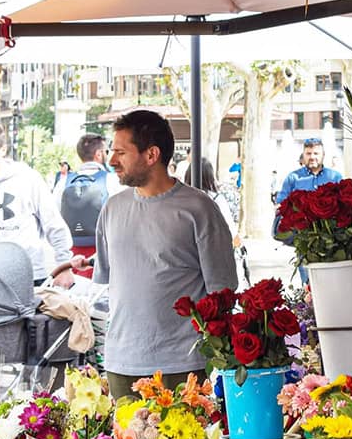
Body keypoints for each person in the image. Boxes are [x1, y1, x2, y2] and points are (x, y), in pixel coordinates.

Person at [70, 110, 237, 400]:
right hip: (121, 361)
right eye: (112, 151)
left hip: (182, 362)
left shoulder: (199, 209)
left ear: (151, 155)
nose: (111, 161)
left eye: (121, 152)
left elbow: (222, 290)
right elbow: (111, 279)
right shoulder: (112, 209)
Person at [0, 122, 76, 288]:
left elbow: (54, 225)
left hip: (28, 276)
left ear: (2, 149)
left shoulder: (28, 179)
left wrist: (65, 266)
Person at [274, 138, 342, 283]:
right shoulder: (293, 178)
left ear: (323, 155)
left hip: (331, 236)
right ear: (303, 155)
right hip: (304, 237)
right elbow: (281, 204)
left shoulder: (335, 176)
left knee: (331, 278)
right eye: (308, 153)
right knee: (308, 282)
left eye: (316, 153)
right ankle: (309, 302)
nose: (312, 157)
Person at [60, 134, 124, 278]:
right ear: (99, 154)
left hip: (72, 253)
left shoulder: (63, 182)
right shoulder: (111, 180)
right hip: (102, 252)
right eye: (107, 152)